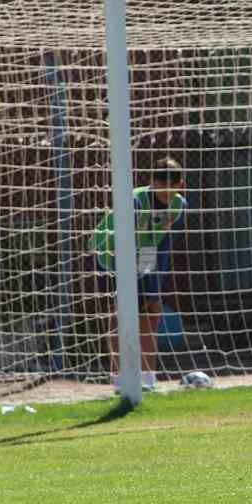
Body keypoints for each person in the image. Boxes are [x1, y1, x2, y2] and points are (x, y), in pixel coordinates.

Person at [90, 157, 187, 392]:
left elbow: (163, 246)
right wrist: (129, 276)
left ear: (179, 185)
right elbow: (116, 241)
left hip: (146, 253)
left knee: (152, 311)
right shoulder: (134, 202)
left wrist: (154, 283)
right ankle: (119, 379)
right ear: (151, 182)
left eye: (170, 185)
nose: (165, 190)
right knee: (122, 313)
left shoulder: (179, 206)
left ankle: (147, 379)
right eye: (160, 183)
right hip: (109, 253)